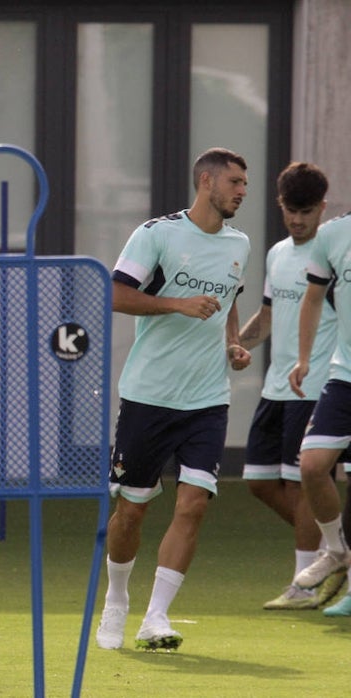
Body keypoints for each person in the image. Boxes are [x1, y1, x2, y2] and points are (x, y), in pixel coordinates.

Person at [95, 147, 252, 652]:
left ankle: (156, 617)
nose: (242, 192)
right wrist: (175, 304)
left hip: (208, 398)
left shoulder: (240, 244)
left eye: (245, 185)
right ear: (206, 181)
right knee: (132, 510)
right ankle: (116, 601)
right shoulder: (156, 233)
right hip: (149, 396)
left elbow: (229, 301)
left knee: (193, 506)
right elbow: (115, 294)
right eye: (234, 182)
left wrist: (232, 342)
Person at [238, 162, 348, 610]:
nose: (297, 220)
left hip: (318, 385)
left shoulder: (331, 254)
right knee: (260, 483)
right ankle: (334, 546)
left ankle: (302, 586)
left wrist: (309, 363)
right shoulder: (277, 253)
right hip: (274, 388)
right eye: (290, 210)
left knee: (304, 481)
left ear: (322, 208)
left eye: (305, 211)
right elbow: (266, 316)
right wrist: (232, 345)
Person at [286, 192, 351, 613]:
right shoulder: (332, 234)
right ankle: (336, 549)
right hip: (344, 374)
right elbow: (312, 298)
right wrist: (305, 357)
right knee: (311, 464)